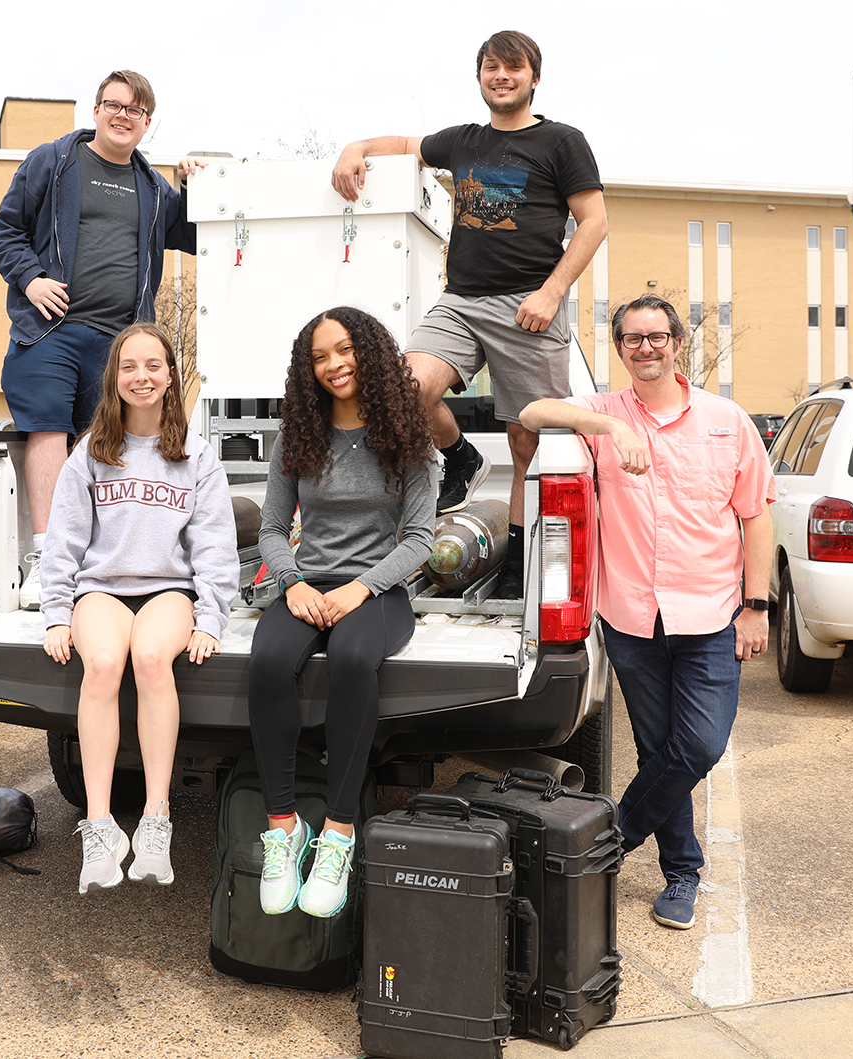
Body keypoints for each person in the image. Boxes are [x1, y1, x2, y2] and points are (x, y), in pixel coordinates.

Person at [520, 294, 774, 931]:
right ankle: (682, 874)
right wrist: (611, 429)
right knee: (659, 746)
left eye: (656, 336)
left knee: (699, 744)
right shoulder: (603, 413)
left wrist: (756, 606)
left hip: (712, 614)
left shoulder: (726, 420)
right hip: (632, 617)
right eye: (632, 339)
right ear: (621, 348)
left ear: (677, 342)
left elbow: (756, 516)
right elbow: (530, 411)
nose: (645, 347)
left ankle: (610, 840)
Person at [331, 30, 607, 598]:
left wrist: (552, 294)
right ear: (479, 76)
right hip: (460, 300)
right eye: (490, 67)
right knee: (401, 387)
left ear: (534, 77)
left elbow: (595, 222)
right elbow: (403, 143)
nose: (501, 76)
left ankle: (517, 557)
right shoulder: (463, 141)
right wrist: (352, 147)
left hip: (529, 304)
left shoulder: (561, 141)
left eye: (513, 67)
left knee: (528, 439)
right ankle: (459, 457)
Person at [250, 307, 439, 919]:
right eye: (320, 357)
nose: (334, 365)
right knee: (270, 660)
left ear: (372, 353)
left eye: (345, 349)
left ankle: (338, 832)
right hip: (310, 582)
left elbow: (419, 540)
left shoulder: (410, 436)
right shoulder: (297, 436)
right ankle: (284, 829)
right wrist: (293, 582)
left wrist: (361, 589)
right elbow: (274, 529)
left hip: (379, 592)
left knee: (355, 659)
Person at [38, 322, 238, 894]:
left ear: (171, 375)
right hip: (102, 589)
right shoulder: (91, 454)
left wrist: (211, 619)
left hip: (167, 591)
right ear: (114, 378)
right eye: (129, 367)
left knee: (151, 658)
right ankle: (99, 826)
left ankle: (156, 819)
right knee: (101, 665)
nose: (141, 376)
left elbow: (215, 546)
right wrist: (57, 613)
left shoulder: (196, 457)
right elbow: (65, 540)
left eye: (153, 365)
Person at [0, 69, 201, 610]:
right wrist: (32, 279)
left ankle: (95, 560)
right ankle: (45, 559)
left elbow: (200, 235)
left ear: (147, 122)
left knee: (103, 445)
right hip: (52, 329)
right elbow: (6, 231)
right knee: (49, 432)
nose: (122, 115)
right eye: (114, 105)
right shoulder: (55, 161)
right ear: (97, 111)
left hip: (120, 341)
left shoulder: (155, 189)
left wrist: (200, 186)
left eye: (135, 110)